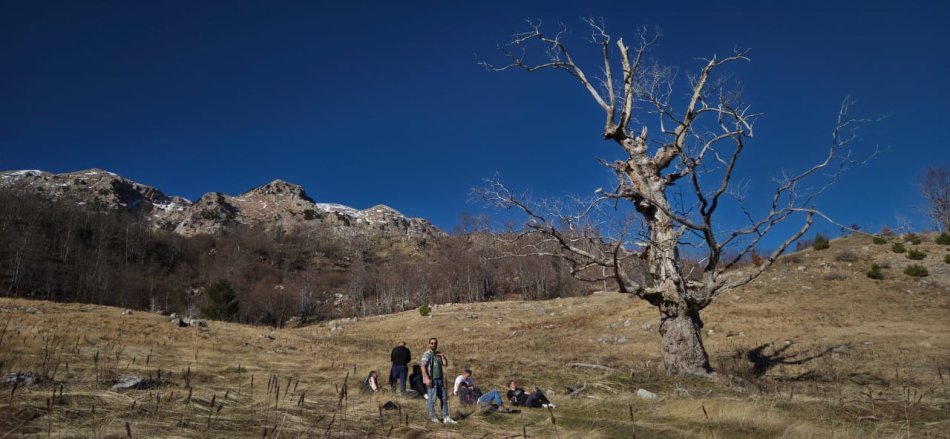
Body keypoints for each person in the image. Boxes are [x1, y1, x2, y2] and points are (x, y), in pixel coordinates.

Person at [421, 337, 457, 424]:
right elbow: (422, 366)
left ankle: (446, 417)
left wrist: (442, 356)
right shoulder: (427, 354)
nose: (434, 345)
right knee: (432, 399)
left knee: (444, 398)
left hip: (439, 380)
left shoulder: (437, 355)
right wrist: (426, 378)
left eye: (435, 343)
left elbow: (445, 364)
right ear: (429, 344)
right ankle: (433, 417)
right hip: (431, 380)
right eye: (432, 343)